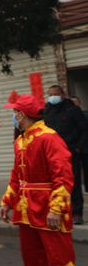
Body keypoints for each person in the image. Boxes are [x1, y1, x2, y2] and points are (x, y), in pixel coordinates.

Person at [0, 93, 80, 266]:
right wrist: (7, 201)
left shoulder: (49, 138)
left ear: (22, 114)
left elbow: (63, 177)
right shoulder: (21, 141)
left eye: (15, 112)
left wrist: (57, 208)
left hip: (48, 207)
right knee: (32, 258)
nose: (13, 116)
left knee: (60, 258)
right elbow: (16, 176)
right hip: (26, 209)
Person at [44, 85, 88, 225]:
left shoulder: (72, 110)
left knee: (73, 183)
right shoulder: (47, 111)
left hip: (70, 151)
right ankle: (60, 210)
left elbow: (85, 130)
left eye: (55, 94)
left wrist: (78, 148)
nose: (52, 97)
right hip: (52, 153)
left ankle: (76, 213)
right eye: (50, 94)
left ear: (63, 95)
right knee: (55, 183)